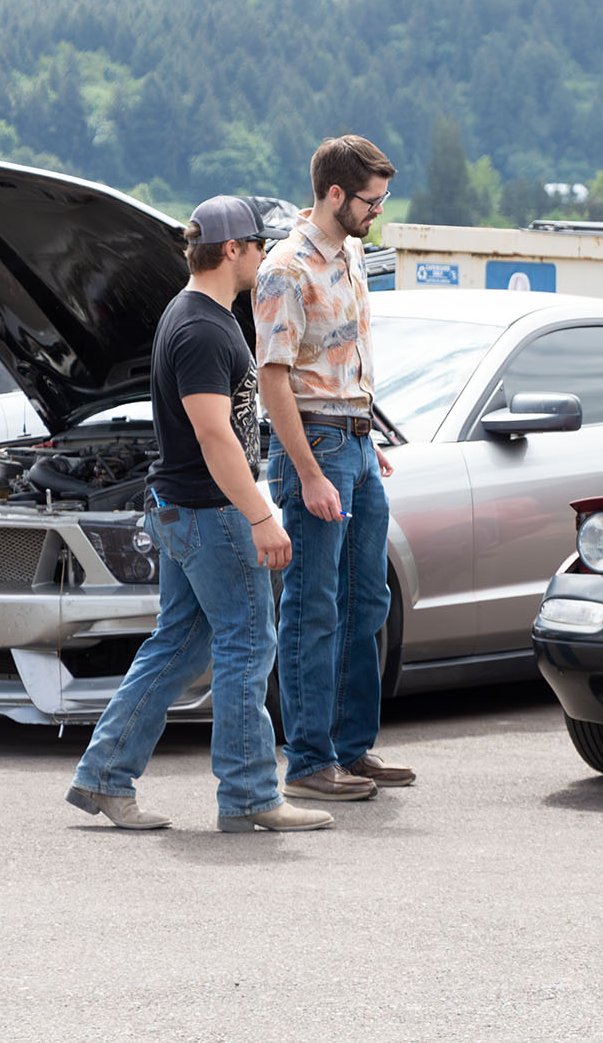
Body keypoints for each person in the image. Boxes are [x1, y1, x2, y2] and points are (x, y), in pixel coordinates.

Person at [68, 196, 333, 833]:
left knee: (178, 649)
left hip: (186, 509)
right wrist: (262, 515)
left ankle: (104, 778)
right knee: (248, 648)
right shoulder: (202, 329)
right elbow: (216, 436)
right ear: (233, 250)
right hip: (212, 514)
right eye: (259, 245)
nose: (265, 256)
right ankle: (248, 798)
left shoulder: (193, 316)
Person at [255, 135, 414, 802]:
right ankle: (310, 760)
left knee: (367, 598)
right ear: (336, 194)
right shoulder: (286, 268)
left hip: (353, 440)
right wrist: (311, 470)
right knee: (312, 606)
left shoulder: (348, 252)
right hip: (314, 448)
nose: (378, 212)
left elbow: (342, 361)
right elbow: (272, 379)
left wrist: (363, 435)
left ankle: (352, 748)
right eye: (371, 201)